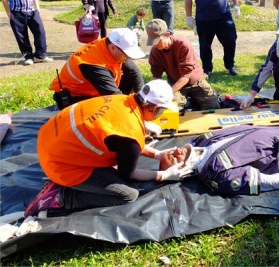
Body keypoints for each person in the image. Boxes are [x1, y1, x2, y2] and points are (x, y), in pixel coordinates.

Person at [25, 79, 193, 218]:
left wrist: (157, 154)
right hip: (59, 165)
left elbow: (121, 139)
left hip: (47, 142)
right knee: (129, 194)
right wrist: (163, 175)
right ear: (155, 109)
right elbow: (128, 173)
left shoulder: (121, 100)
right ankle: (62, 198)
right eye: (161, 111)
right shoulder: (130, 132)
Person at [49, 28, 145, 110]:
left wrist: (141, 100)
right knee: (109, 116)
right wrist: (136, 111)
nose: (128, 58)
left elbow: (134, 72)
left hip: (93, 90)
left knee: (130, 79)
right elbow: (114, 96)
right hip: (74, 98)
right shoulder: (93, 64)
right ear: (113, 48)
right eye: (126, 54)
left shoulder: (108, 45)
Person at [146, 18, 220, 111]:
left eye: (157, 40)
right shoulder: (155, 52)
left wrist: (168, 93)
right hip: (175, 82)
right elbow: (156, 77)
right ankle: (188, 102)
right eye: (152, 41)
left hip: (196, 82)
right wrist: (150, 93)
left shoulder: (182, 44)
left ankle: (192, 100)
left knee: (213, 106)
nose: (155, 45)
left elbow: (185, 76)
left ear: (167, 35)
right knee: (169, 109)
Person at [1, 0, 53, 66]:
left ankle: (40, 55)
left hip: (32, 11)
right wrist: (9, 14)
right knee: (22, 35)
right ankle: (28, 56)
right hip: (17, 12)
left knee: (40, 32)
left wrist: (37, 8)